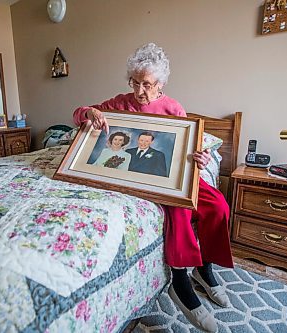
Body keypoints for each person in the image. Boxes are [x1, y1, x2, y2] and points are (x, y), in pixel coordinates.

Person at [73, 43, 232, 333]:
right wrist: (89, 113)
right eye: (135, 82)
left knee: (219, 206)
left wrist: (202, 157)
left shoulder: (173, 107)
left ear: (160, 84)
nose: (139, 91)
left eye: (146, 84)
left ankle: (205, 269)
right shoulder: (120, 102)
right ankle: (180, 279)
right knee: (180, 207)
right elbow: (78, 114)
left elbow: (190, 146)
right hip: (148, 179)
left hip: (179, 173)